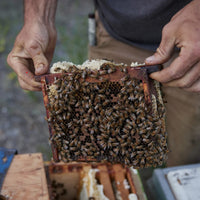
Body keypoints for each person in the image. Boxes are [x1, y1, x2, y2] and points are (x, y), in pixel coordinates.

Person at [7, 0, 200, 166]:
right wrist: (38, 18)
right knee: (97, 149)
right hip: (115, 31)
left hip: (193, 39)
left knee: (187, 156)